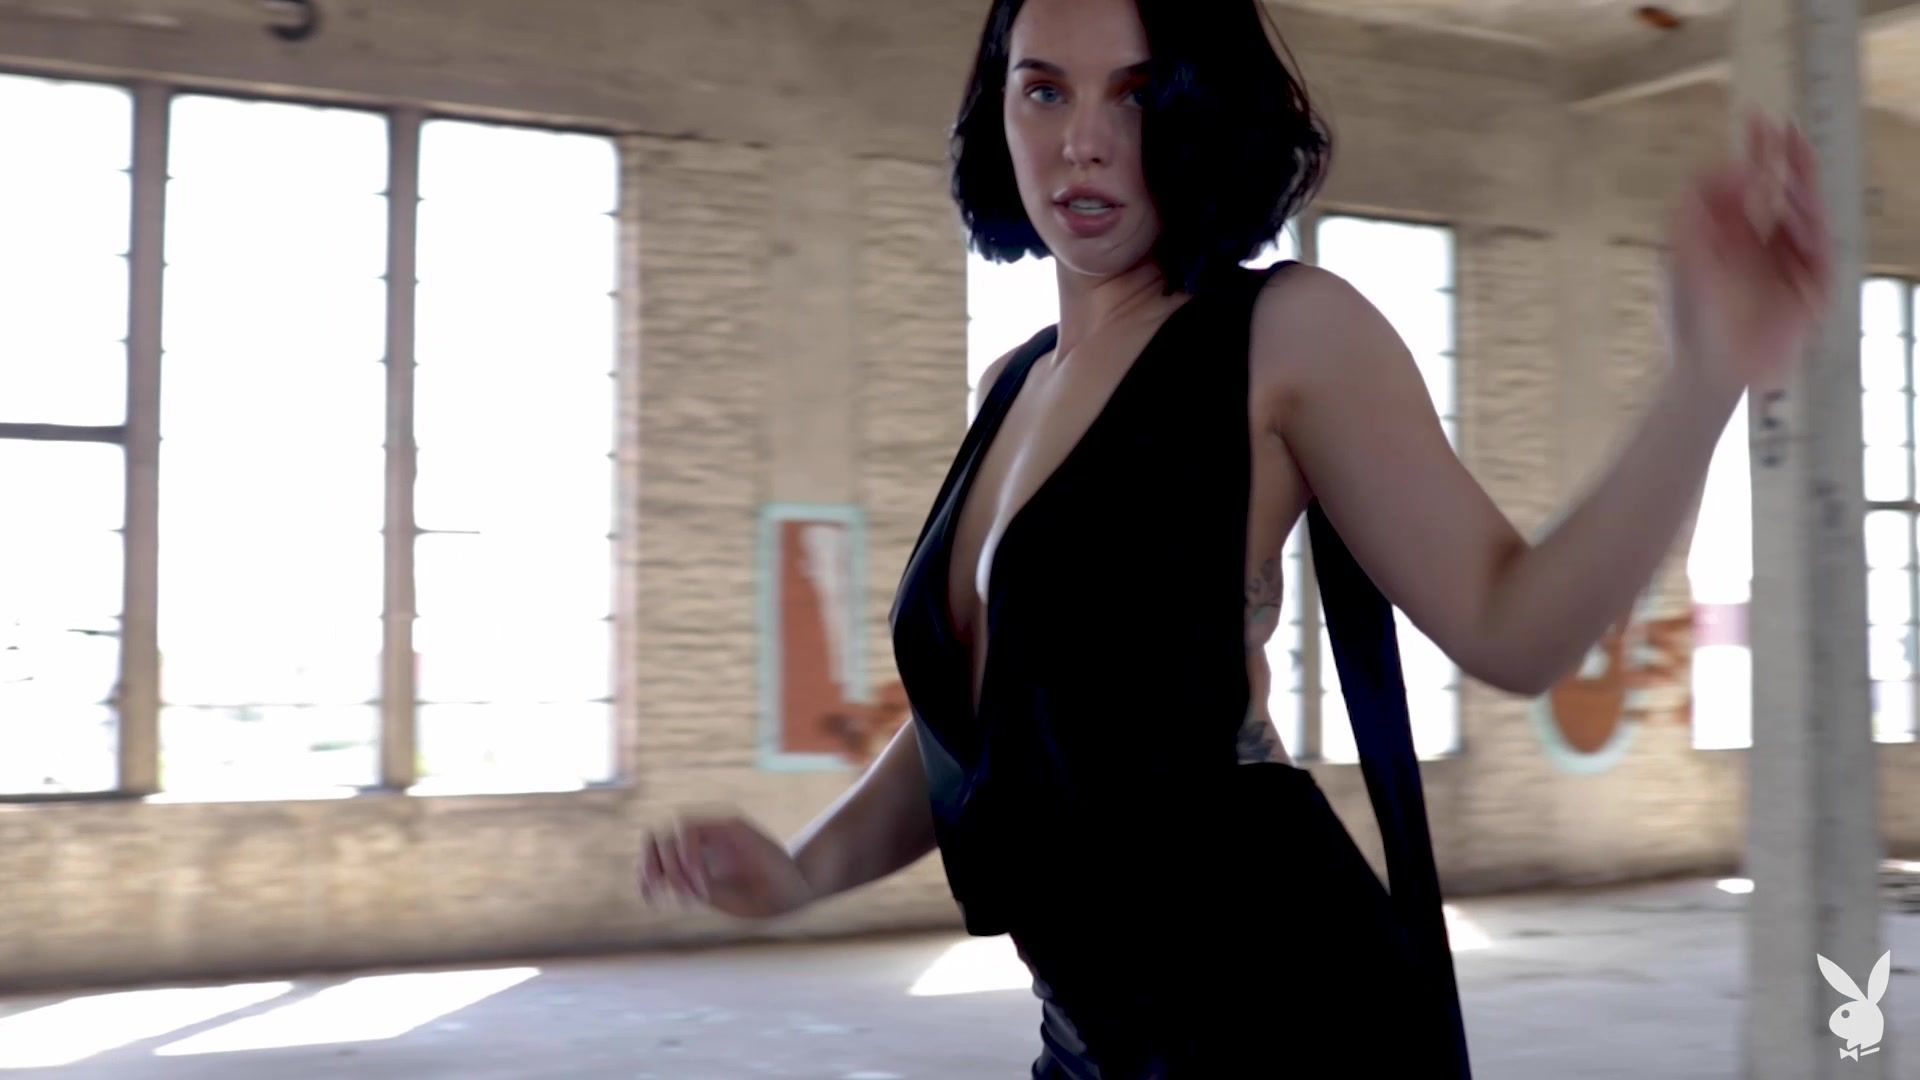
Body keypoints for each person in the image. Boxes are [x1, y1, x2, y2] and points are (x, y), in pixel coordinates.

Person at [638, 0, 1834, 1074]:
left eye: (1137, 92)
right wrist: (800, 872)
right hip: (1086, 1041)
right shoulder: (1012, 386)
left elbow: (1516, 629)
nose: (1083, 140)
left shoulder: (1289, 330)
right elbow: (986, 725)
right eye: (1044, 88)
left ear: (1202, 110)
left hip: (1279, 1015)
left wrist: (1705, 380)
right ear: (998, 105)